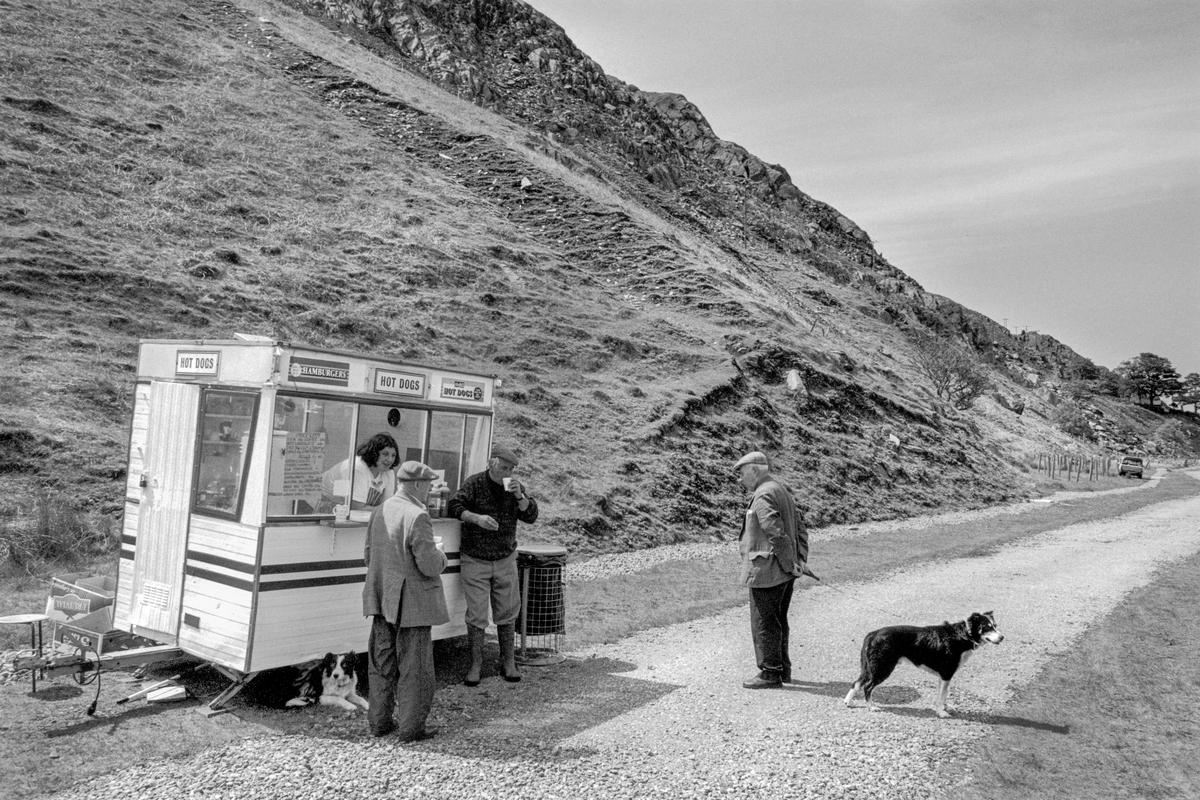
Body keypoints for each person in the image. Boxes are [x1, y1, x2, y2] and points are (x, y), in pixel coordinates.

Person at [362, 460, 448, 740]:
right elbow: (429, 565)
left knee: (381, 665)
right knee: (415, 669)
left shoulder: (380, 509)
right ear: (418, 485)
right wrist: (442, 555)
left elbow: (367, 555)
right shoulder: (418, 515)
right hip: (412, 604)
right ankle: (411, 729)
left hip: (381, 598)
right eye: (429, 485)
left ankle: (379, 724)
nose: (430, 490)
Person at [447, 445, 538, 686]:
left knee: (507, 611)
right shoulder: (475, 483)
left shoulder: (513, 487)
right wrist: (476, 518)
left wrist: (520, 497)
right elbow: (453, 505)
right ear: (491, 463)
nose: (506, 472)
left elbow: (531, 516)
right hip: (475, 559)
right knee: (476, 615)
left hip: (505, 559)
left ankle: (508, 661)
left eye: (510, 469)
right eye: (503, 467)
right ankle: (475, 665)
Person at [734, 450, 808, 689]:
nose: (740, 479)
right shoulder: (780, 489)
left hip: (768, 571)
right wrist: (799, 561)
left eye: (743, 473)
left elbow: (775, 532)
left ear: (755, 471)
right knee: (778, 620)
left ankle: (770, 672)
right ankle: (781, 668)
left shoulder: (763, 494)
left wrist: (790, 563)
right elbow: (800, 529)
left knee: (764, 621)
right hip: (783, 570)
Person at [323, 433, 399, 511]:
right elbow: (358, 508)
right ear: (374, 453)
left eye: (393, 455)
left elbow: (386, 505)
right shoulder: (358, 468)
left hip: (344, 508)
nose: (390, 460)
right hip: (321, 501)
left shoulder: (388, 472)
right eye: (385, 454)